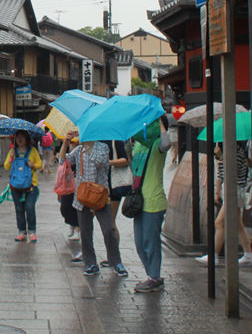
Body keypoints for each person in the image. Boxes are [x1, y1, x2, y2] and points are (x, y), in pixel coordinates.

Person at [67, 139, 128, 276]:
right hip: (82, 196)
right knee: (85, 232)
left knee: (108, 229)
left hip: (100, 195)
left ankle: (116, 261)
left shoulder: (103, 147)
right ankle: (90, 263)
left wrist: (88, 147)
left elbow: (100, 162)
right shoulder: (79, 149)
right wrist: (67, 144)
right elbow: (64, 161)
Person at [131, 117, 174, 293]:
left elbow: (166, 144)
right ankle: (152, 276)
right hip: (138, 200)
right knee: (139, 243)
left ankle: (154, 277)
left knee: (151, 241)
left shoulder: (157, 145)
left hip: (154, 201)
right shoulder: (139, 145)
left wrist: (161, 123)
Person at [196, 139, 252, 267]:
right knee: (238, 225)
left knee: (219, 223)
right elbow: (221, 174)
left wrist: (221, 158)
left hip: (234, 191)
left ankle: (214, 255)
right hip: (231, 190)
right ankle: (248, 254)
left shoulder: (235, 152)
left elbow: (230, 173)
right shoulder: (230, 151)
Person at [4, 130, 44, 242]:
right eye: (18, 137)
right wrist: (11, 158)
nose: (20, 139)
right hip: (16, 185)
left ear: (27, 138)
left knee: (29, 207)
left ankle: (32, 231)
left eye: (22, 137)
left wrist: (33, 165)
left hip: (31, 185)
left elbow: (39, 164)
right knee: (19, 208)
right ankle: (21, 232)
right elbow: (6, 166)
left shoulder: (33, 151)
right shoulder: (13, 151)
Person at [54, 135, 80, 242]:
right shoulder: (73, 151)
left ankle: (78, 229)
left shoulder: (82, 149)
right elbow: (62, 160)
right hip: (68, 184)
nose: (73, 144)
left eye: (75, 142)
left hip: (80, 184)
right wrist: (65, 143)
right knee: (65, 207)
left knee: (77, 207)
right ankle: (72, 224)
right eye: (72, 142)